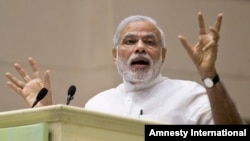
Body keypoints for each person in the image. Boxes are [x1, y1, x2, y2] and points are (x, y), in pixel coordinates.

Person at [5, 12, 244, 124]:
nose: (140, 47)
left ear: (163, 55)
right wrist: (48, 113)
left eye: (150, 42)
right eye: (130, 41)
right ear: (114, 55)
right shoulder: (96, 104)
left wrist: (209, 76)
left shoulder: (190, 95)